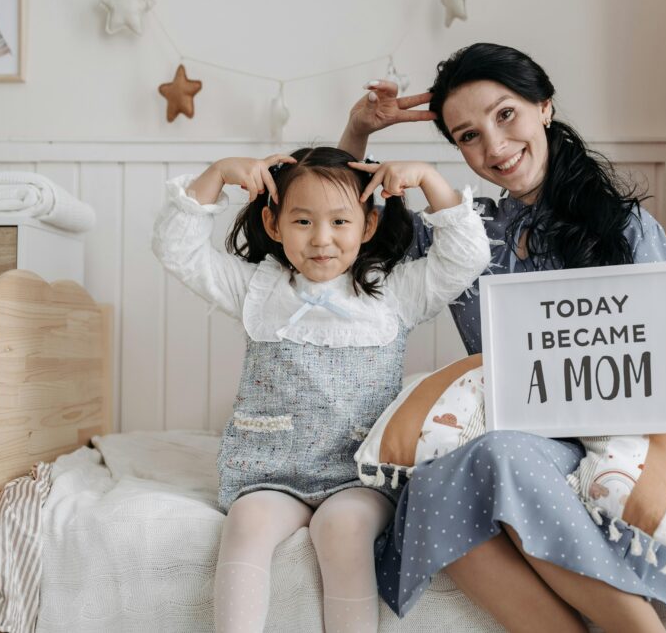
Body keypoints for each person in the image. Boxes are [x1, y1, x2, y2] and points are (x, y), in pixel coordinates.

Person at [339, 43, 666, 633]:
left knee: (493, 453)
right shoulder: (466, 234)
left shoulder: (626, 228)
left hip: (603, 443)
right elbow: (345, 225)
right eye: (467, 135)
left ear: (544, 107)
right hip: (510, 437)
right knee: (433, 483)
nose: (494, 147)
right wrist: (358, 131)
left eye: (505, 114)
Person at [151, 146, 490, 633]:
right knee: (245, 525)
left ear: (368, 226)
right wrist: (219, 173)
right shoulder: (257, 291)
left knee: (343, 529)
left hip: (357, 477)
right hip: (270, 469)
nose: (322, 240)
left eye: (339, 222)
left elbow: (467, 256)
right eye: (303, 222)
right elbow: (176, 248)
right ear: (273, 225)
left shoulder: (394, 293)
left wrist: (428, 178)